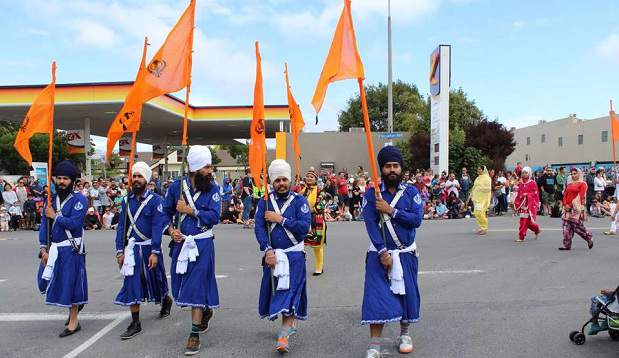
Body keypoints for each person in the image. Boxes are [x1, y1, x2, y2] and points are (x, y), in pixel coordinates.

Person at [362, 146, 423, 358]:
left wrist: (391, 211)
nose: (392, 170)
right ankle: (374, 345)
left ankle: (405, 334)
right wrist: (381, 251)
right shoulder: (372, 194)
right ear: (382, 169)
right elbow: (370, 224)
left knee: (407, 296)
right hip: (379, 255)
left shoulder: (412, 193)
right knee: (376, 298)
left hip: (405, 253)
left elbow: (416, 220)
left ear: (401, 168)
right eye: (388, 166)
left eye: (395, 166)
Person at [162, 145, 221, 356]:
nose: (210, 170)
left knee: (195, 287)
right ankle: (205, 310)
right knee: (179, 289)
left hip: (202, 244)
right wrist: (170, 230)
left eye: (210, 166)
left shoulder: (213, 189)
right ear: (195, 167)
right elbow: (164, 213)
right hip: (180, 244)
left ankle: (194, 334)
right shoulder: (175, 188)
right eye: (206, 166)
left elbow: (215, 217)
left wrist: (190, 210)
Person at [254, 159, 311, 353]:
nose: (281, 183)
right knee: (276, 293)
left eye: (284, 179)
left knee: (290, 294)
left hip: (294, 256)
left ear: (290, 180)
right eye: (277, 180)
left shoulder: (300, 201)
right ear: (271, 181)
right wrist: (267, 249)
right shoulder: (265, 202)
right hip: (273, 256)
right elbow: (260, 228)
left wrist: (280, 219)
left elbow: (304, 228)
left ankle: (284, 336)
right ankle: (289, 324)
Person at [114, 162, 173, 340]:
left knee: (156, 279)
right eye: (134, 176)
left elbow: (157, 227)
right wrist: (119, 251)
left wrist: (155, 251)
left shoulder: (156, 201)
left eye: (140, 176)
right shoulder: (126, 200)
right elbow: (121, 228)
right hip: (131, 250)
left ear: (147, 180)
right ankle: (135, 322)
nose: (136, 180)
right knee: (132, 282)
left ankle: (166, 300)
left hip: (149, 248)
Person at [37, 160, 88, 337]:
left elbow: (75, 224)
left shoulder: (80, 199)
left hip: (71, 248)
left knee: (72, 283)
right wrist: (43, 248)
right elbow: (44, 225)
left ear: (72, 181)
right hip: (54, 249)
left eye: (65, 178)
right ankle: (74, 309)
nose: (61, 182)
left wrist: (55, 216)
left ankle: (74, 320)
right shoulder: (49, 200)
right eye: (59, 178)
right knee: (48, 282)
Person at [300, 168, 327, 276]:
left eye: (311, 177)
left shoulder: (320, 191)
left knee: (317, 244)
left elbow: (321, 205)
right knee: (299, 243)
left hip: (317, 219)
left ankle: (319, 267)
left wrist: (309, 210)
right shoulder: (302, 191)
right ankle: (299, 266)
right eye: (308, 176)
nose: (309, 178)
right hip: (303, 219)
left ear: (315, 179)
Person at [560, 168, 593, 251]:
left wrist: (570, 205)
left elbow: (580, 197)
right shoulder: (569, 184)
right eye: (572, 174)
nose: (573, 175)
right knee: (565, 228)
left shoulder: (583, 184)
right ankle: (567, 245)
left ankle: (588, 238)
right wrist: (565, 204)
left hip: (576, 209)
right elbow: (565, 195)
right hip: (567, 209)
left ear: (579, 174)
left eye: (575, 173)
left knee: (578, 228)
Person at [514, 167, 541, 243]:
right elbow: (519, 193)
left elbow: (536, 194)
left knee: (525, 221)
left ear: (529, 173)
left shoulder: (532, 183)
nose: (524, 174)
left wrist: (528, 195)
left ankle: (521, 236)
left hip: (530, 205)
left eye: (526, 173)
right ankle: (537, 229)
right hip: (523, 205)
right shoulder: (521, 183)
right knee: (526, 222)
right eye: (523, 173)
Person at [470, 167, 492, 235]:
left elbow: (488, 188)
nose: (478, 170)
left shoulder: (487, 178)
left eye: (479, 169)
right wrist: (470, 195)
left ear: (483, 170)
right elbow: (474, 187)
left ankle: (484, 228)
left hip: (483, 198)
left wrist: (480, 189)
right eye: (478, 169)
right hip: (477, 198)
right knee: (476, 213)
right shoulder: (477, 178)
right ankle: (481, 227)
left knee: (480, 212)